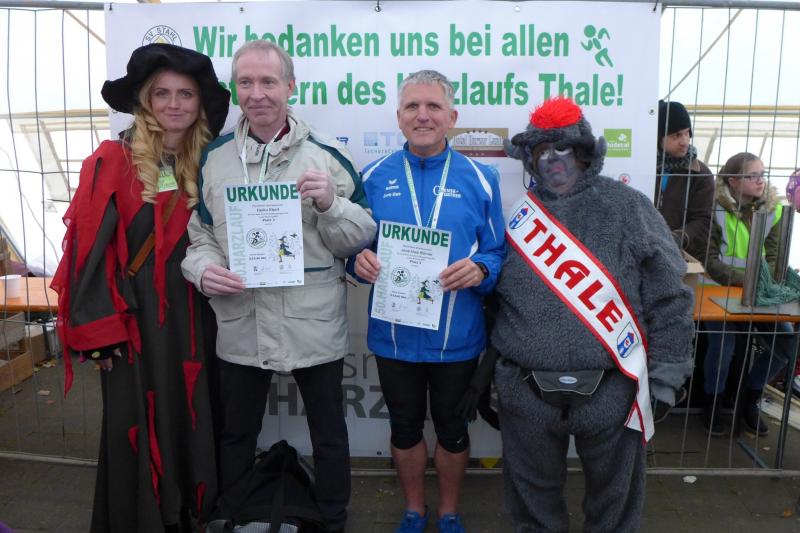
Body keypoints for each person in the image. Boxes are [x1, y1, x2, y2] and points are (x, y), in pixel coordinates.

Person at [180, 40, 376, 533]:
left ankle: (333, 518)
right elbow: (201, 236)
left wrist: (331, 204)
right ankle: (232, 513)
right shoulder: (215, 158)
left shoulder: (327, 157)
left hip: (312, 321)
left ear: (290, 86)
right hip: (241, 320)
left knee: (328, 432)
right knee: (237, 431)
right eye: (246, 82)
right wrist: (203, 270)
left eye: (268, 81)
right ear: (235, 89)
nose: (257, 93)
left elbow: (359, 238)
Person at [51, 43, 230, 532]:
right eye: (162, 93)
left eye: (186, 94)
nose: (174, 104)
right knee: (138, 419)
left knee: (194, 412)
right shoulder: (112, 159)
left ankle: (189, 514)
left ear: (199, 103)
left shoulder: (210, 162)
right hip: (133, 322)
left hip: (198, 316)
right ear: (145, 100)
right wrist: (98, 334)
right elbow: (86, 251)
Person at [494, 97, 694, 532]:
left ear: (585, 152)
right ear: (528, 157)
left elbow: (669, 295)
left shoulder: (629, 206)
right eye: (542, 150)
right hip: (526, 390)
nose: (552, 159)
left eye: (563, 148)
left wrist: (665, 376)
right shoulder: (514, 215)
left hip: (613, 390)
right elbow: (493, 297)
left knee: (615, 512)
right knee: (532, 511)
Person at [349, 70, 506, 533]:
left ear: (451, 117)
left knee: (454, 431)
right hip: (394, 336)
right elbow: (351, 246)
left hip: (456, 337)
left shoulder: (482, 178)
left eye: (433, 106)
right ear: (398, 117)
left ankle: (450, 512)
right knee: (403, 428)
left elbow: (497, 251)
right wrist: (356, 262)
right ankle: (414, 510)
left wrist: (481, 270)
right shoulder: (371, 177)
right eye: (413, 106)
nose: (423, 115)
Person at [702, 152, 793, 436]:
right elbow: (709, 259)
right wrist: (748, 281)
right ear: (733, 181)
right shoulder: (713, 208)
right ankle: (713, 405)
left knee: (786, 345)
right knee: (723, 348)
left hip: (760, 294)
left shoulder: (774, 210)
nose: (760, 181)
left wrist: (762, 285)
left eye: (762, 174)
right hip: (716, 291)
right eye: (752, 175)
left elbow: (775, 258)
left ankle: (748, 399)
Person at [655, 99, 715, 261]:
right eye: (676, 135)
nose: (684, 142)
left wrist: (678, 237)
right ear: (659, 137)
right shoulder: (643, 169)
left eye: (687, 133)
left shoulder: (700, 174)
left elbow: (703, 221)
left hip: (682, 258)